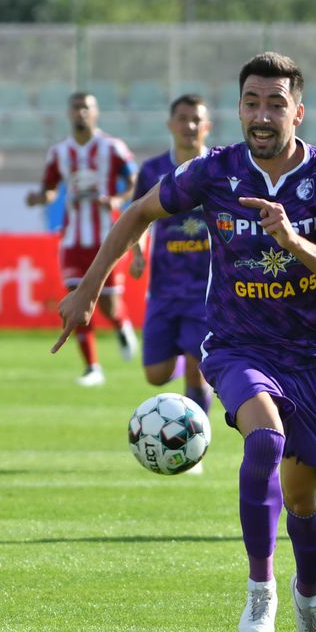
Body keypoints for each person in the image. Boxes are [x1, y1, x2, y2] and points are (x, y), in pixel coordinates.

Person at [52, 52, 316, 632]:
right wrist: (90, 289)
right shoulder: (216, 171)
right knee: (263, 442)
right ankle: (261, 587)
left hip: (311, 356)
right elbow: (139, 213)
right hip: (235, 345)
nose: (261, 114)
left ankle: (309, 597)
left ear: (297, 112)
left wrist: (292, 240)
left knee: (304, 499)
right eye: (251, 102)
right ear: (239, 108)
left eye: (275, 103)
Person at [26, 91, 140, 387]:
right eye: (76, 107)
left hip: (108, 237)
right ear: (69, 112)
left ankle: (121, 324)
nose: (81, 113)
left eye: (86, 108)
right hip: (73, 239)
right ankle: (92, 367)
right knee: (77, 302)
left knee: (108, 305)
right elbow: (50, 188)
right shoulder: (59, 152)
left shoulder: (112, 147)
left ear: (96, 112)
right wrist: (41, 197)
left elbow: (134, 182)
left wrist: (117, 199)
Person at [128, 93, 215, 471]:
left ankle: (195, 448)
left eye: (196, 119)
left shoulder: (219, 167)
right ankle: (181, 358)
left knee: (199, 367)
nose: (189, 125)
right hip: (163, 289)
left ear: (206, 126)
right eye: (182, 118)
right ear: (171, 124)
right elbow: (137, 218)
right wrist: (136, 251)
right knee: (155, 375)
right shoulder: (151, 171)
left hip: (206, 290)